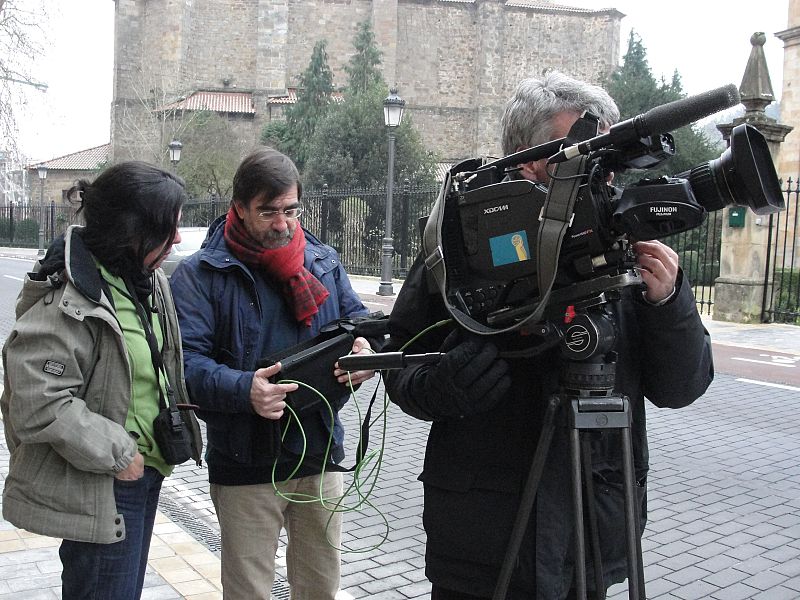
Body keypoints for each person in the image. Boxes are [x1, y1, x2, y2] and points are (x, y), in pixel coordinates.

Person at [383, 71, 715, 600]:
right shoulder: (460, 244)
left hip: (590, 536)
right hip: (483, 540)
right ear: (525, 158)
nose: (599, 169)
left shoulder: (623, 242)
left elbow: (682, 387)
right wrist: (444, 387)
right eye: (579, 150)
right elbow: (399, 362)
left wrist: (668, 302)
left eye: (604, 153)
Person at [169, 146, 378, 599]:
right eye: (268, 212)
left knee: (320, 588)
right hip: (244, 460)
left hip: (319, 453)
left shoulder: (323, 261)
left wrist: (364, 350)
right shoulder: (199, 275)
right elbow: (184, 364)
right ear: (240, 208)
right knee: (249, 592)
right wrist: (245, 389)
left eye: (291, 210)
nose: (282, 224)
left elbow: (360, 323)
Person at [1, 161, 203, 600]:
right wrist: (120, 454)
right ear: (131, 231)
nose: (177, 239)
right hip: (106, 481)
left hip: (143, 474)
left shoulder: (145, 279)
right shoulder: (71, 294)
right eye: (167, 229)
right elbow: (38, 400)